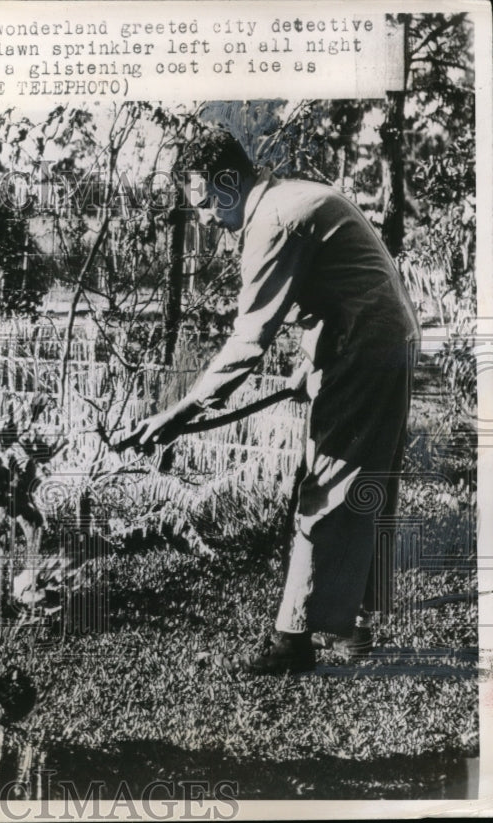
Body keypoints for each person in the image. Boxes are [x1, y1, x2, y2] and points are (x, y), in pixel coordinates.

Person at [126, 128, 420, 674]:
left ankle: (294, 641)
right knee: (360, 481)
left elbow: (248, 340)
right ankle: (351, 623)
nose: (208, 219)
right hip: (376, 336)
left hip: (367, 344)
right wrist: (310, 366)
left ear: (229, 182)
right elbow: (338, 289)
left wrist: (179, 411)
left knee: (326, 485)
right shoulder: (288, 199)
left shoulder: (272, 221)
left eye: (207, 202)